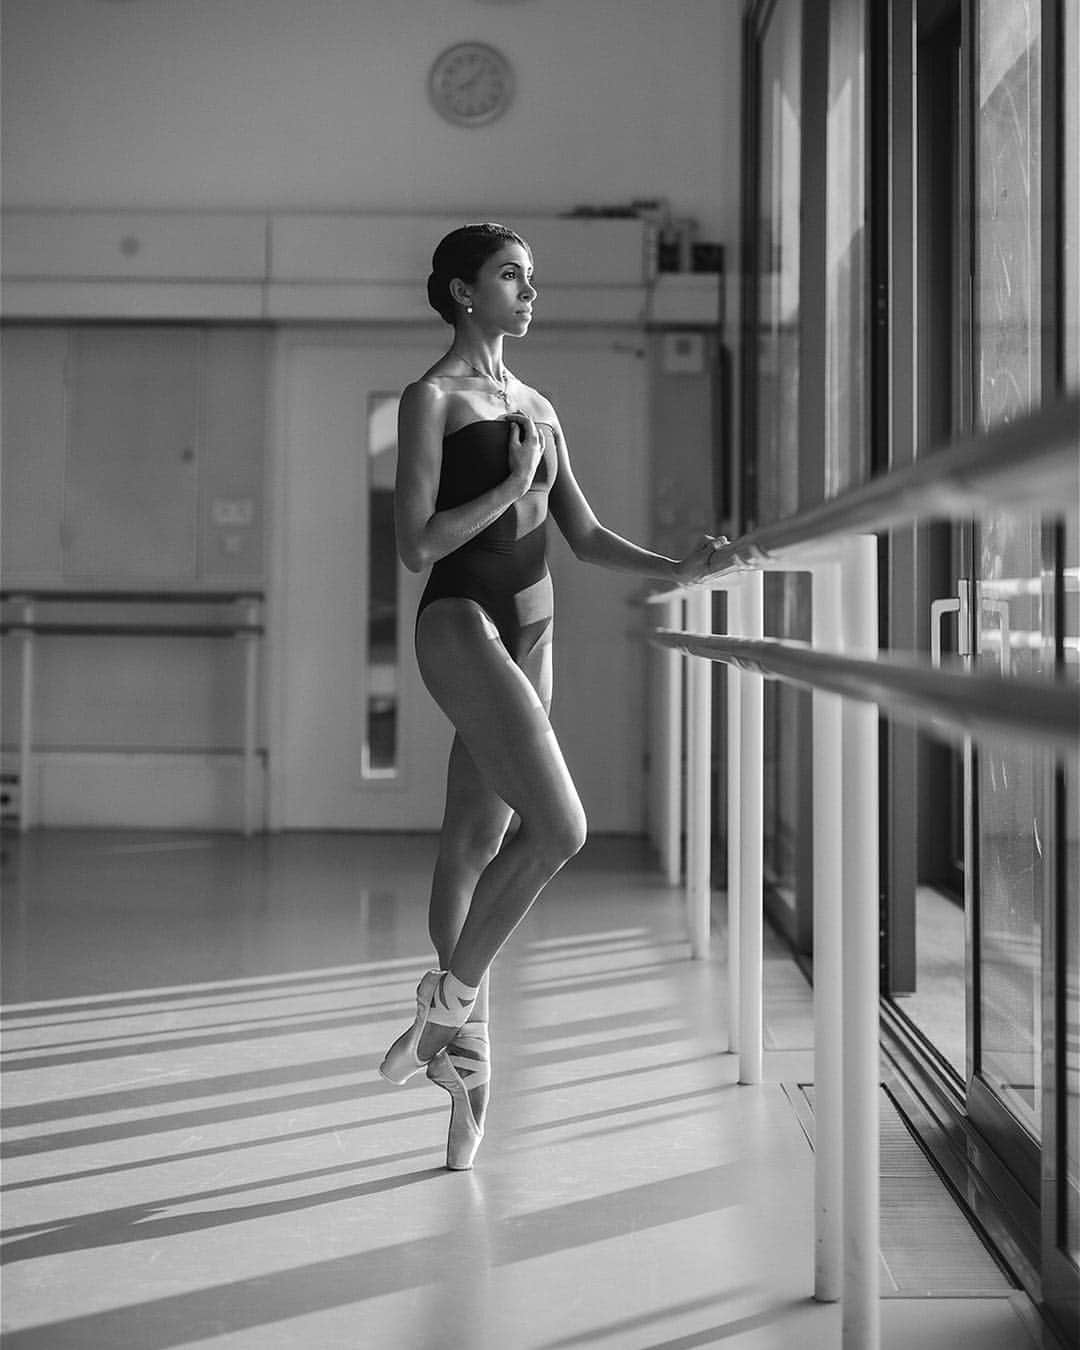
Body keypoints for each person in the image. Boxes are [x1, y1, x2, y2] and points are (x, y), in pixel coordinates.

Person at [379, 222, 723, 1169]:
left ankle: (466, 1066)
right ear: (460, 291)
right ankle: (445, 1014)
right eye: (510, 276)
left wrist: (678, 567)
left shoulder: (540, 402)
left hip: (535, 632)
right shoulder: (432, 398)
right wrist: (512, 483)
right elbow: (416, 545)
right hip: (460, 622)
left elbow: (584, 533)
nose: (529, 291)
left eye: (531, 277)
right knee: (562, 828)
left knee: (474, 842)